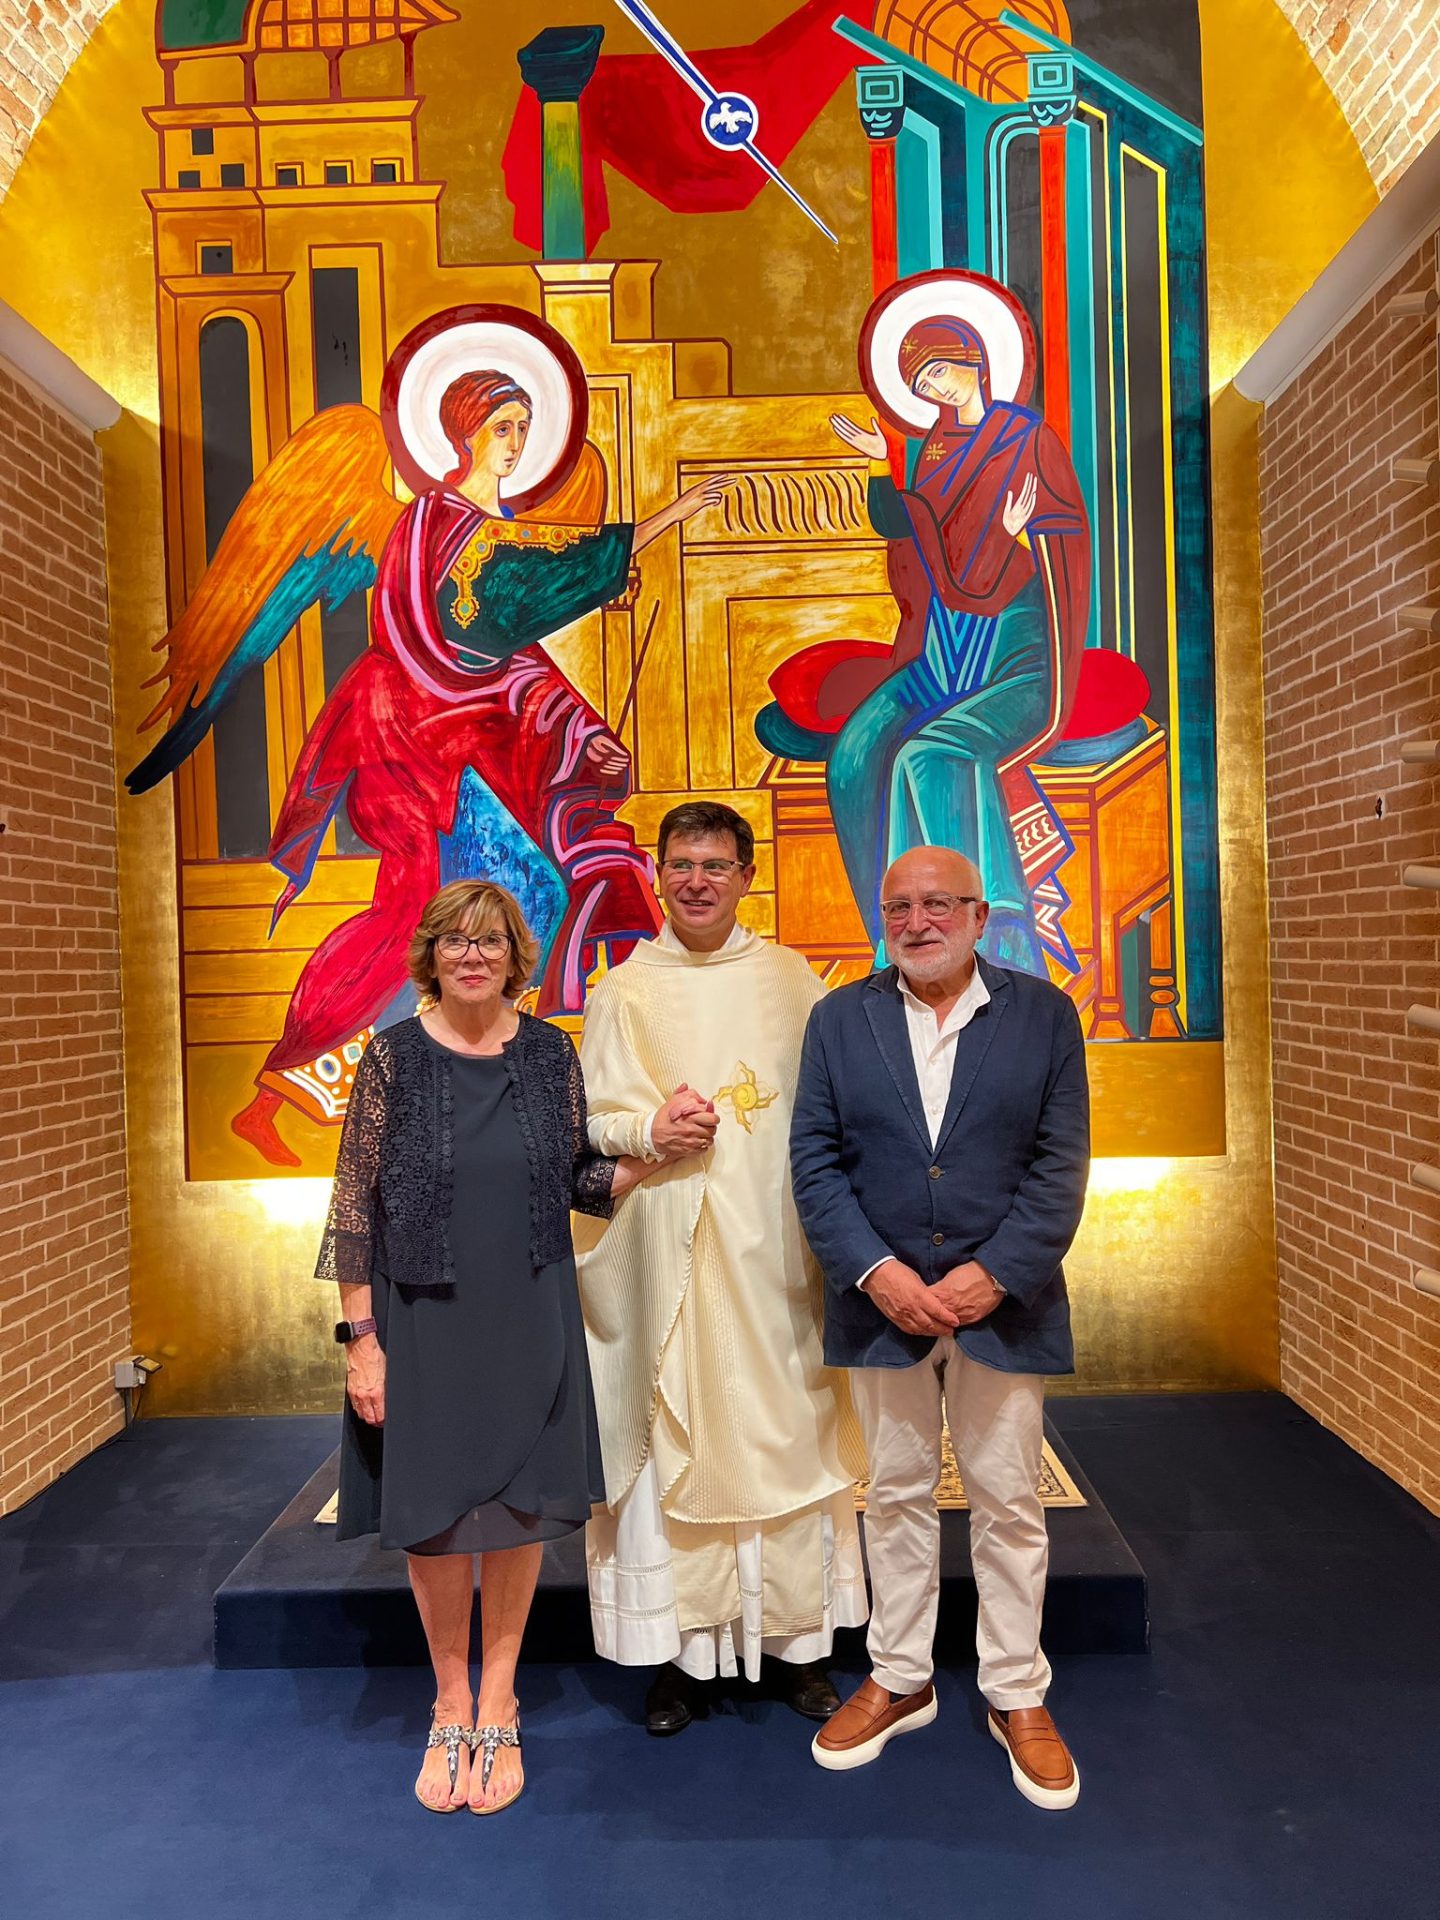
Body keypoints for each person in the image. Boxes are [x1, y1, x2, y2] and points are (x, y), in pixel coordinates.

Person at [317, 878, 671, 1814]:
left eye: (490, 941)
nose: (472, 956)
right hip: (420, 1314)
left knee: (516, 1509)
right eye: (454, 941)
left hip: (528, 1306)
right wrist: (361, 1340)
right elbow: (353, 1207)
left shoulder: (551, 1054)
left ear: (516, 957)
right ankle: (449, 1704)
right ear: (430, 957)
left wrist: (655, 1153)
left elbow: (576, 1179)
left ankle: (500, 1701)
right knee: (435, 1513)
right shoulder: (392, 1058)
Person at [789, 845, 1089, 1807]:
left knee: (1008, 1499)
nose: (917, 922)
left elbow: (1061, 1163)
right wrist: (877, 1274)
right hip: (883, 1307)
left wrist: (994, 1274)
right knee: (896, 1494)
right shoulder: (839, 1019)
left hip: (1006, 1304)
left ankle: (1017, 1689)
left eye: (938, 905)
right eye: (899, 908)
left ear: (979, 914)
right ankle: (900, 1676)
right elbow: (814, 1160)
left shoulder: (1044, 1015)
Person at [576, 801, 868, 1734]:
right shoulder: (622, 991)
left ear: (747, 876)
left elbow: (838, 1109)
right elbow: (590, 1122)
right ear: (657, 874)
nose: (696, 881)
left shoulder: (792, 981)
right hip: (673, 1253)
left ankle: (799, 1647)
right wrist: (649, 1128)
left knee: (790, 1440)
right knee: (680, 1443)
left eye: (715, 865)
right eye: (681, 864)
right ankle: (683, 1658)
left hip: (779, 1253)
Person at [824, 309, 1090, 972]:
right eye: (922, 383)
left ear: (974, 359)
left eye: (939, 370)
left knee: (929, 753)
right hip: (945, 644)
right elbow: (912, 528)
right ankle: (893, 940)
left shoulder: (1027, 438)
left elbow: (1064, 538)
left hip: (1012, 647)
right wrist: (880, 465)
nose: (934, 388)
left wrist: (1020, 535)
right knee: (853, 758)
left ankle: (992, 935)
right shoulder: (934, 449)